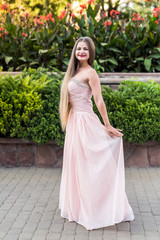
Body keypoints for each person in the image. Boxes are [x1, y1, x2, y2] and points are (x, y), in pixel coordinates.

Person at [59, 36, 134, 231]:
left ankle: (103, 207)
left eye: (85, 49)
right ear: (75, 51)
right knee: (77, 165)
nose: (81, 52)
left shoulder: (90, 72)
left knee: (91, 165)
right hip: (75, 123)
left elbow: (99, 100)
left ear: (90, 52)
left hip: (86, 123)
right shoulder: (74, 72)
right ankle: (80, 207)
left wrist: (107, 125)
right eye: (78, 49)